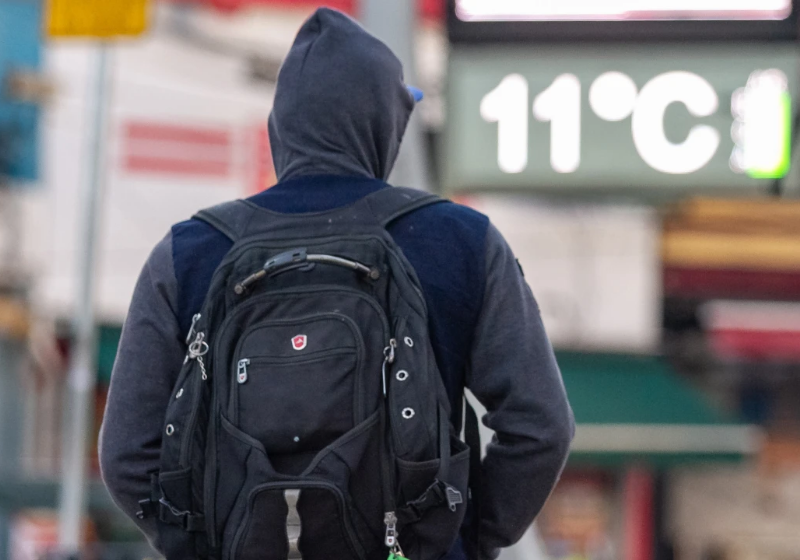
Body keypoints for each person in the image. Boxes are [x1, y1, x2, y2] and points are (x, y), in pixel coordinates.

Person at [99, 7, 574, 560]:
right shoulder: (462, 241)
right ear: (383, 124)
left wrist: (201, 545)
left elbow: (126, 456)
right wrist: (461, 539)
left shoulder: (188, 252)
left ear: (281, 128)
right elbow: (541, 428)